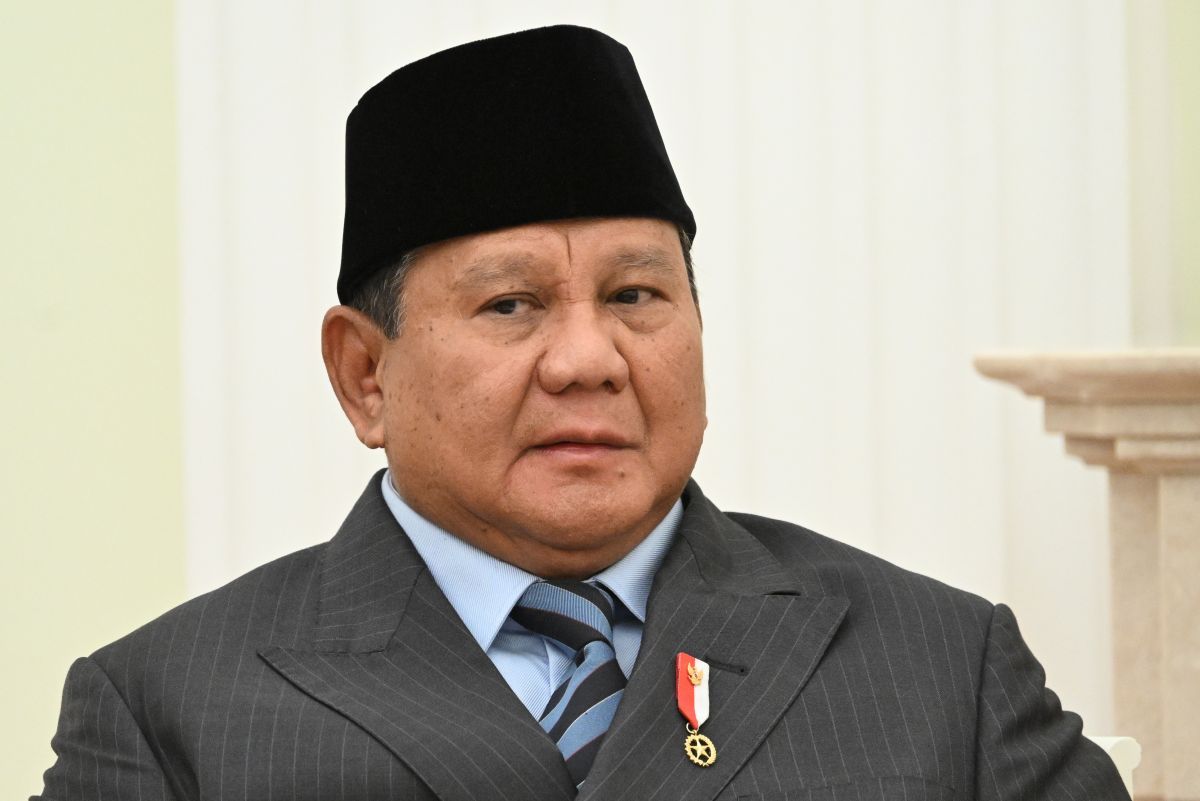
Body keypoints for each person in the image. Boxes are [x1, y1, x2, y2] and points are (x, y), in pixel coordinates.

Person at [36, 24, 1129, 801]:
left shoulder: (938, 665)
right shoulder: (169, 713)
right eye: (511, 305)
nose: (588, 360)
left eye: (636, 296)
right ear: (364, 374)